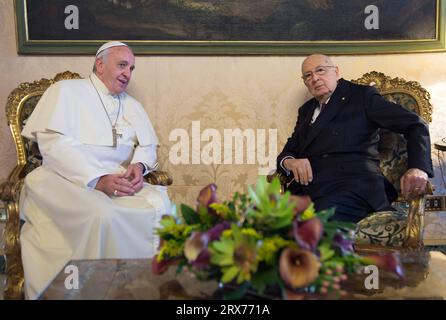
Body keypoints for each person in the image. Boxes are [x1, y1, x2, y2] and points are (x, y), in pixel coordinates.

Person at [20, 41, 171, 299]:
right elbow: (54, 145)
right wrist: (97, 179)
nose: (128, 73)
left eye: (132, 68)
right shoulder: (65, 91)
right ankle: (92, 291)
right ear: (100, 65)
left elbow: (148, 144)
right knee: (103, 214)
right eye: (122, 65)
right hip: (62, 177)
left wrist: (139, 165)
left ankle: (140, 289)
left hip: (116, 176)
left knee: (162, 204)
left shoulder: (131, 104)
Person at [277, 54, 433, 223]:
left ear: (336, 72)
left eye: (320, 70)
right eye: (308, 75)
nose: (315, 78)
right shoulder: (306, 110)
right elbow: (289, 151)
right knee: (263, 221)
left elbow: (415, 124)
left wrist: (418, 167)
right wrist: (291, 162)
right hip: (308, 190)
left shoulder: (361, 97)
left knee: (316, 225)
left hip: (352, 187)